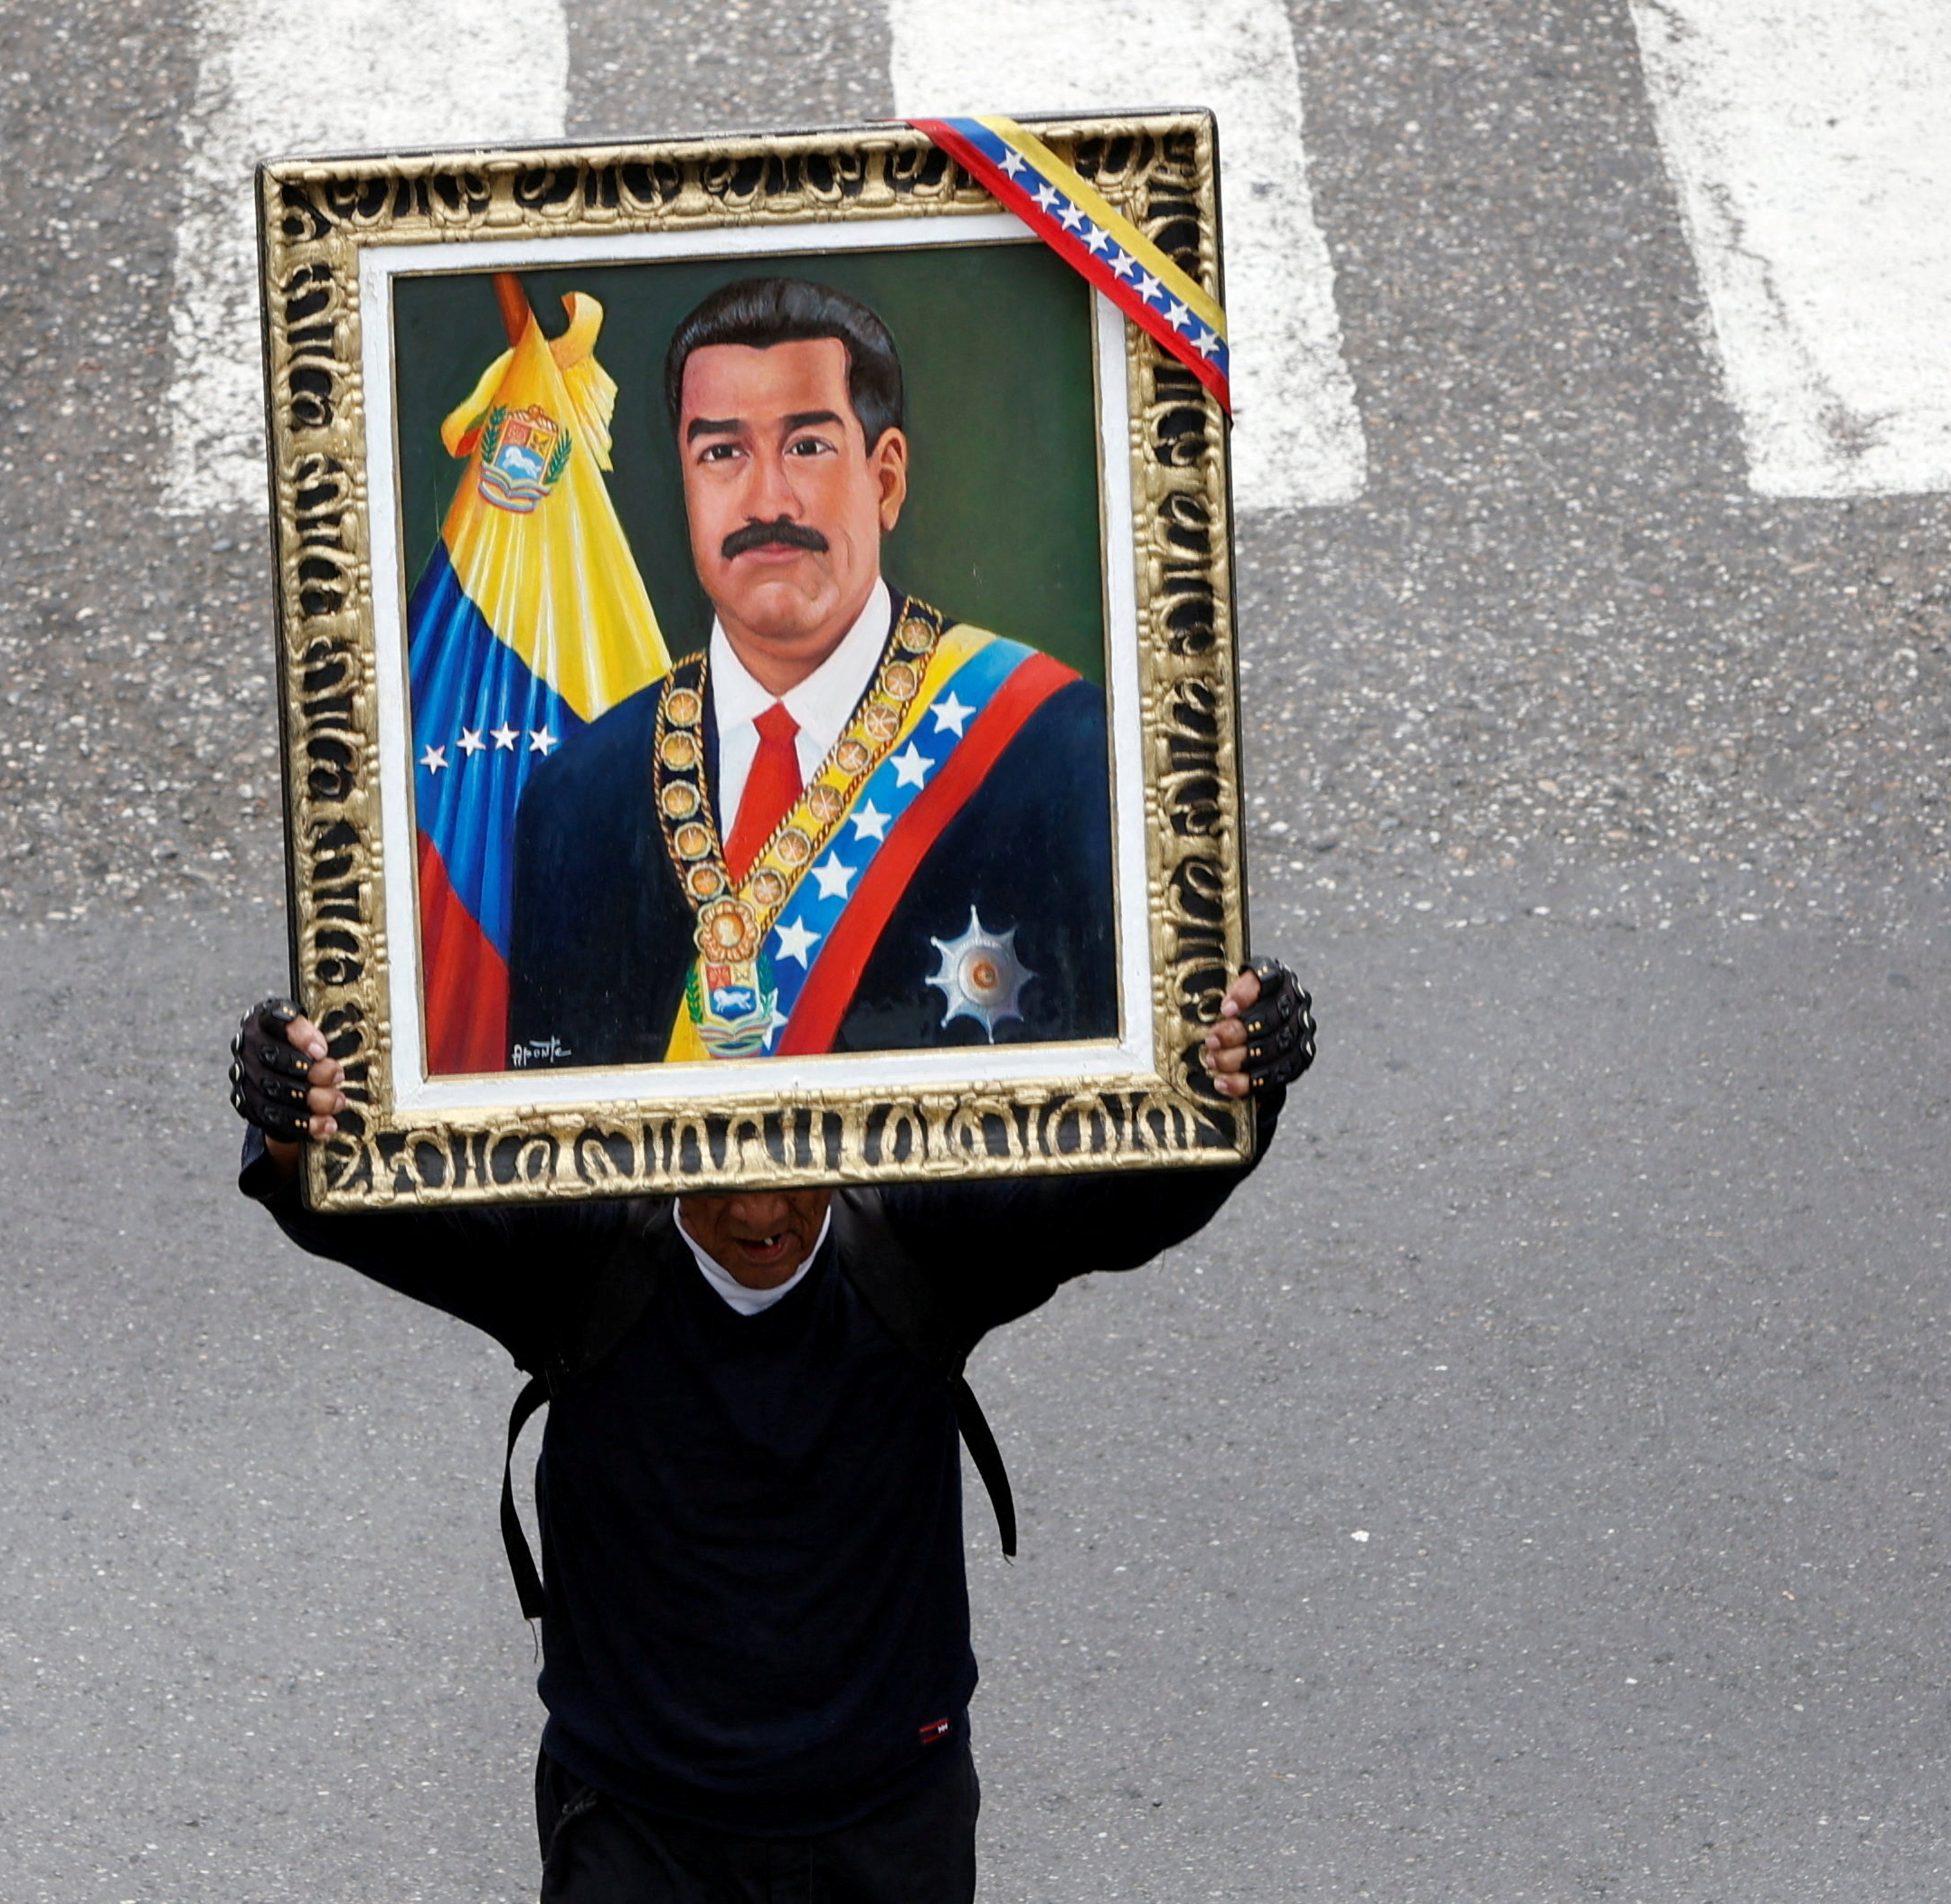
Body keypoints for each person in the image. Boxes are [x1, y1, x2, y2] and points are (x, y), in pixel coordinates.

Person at [230, 959, 1315, 1902]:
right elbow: (344, 1198)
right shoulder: (574, 1255)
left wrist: (1240, 1087)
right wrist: (288, 1124)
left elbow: (1130, 1198)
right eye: (721, 1177)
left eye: (792, 1167)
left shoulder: (927, 1242)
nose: (761, 1214)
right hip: (638, 1834)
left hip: (889, 1830)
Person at [504, 276, 1116, 1070]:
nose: (767, 499)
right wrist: (296, 1156)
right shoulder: (576, 798)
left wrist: (1231, 1086)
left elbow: (1121, 1143)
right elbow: (531, 1171)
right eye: (721, 453)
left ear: (886, 479)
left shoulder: (1054, 751)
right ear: (687, 485)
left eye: (807, 446)